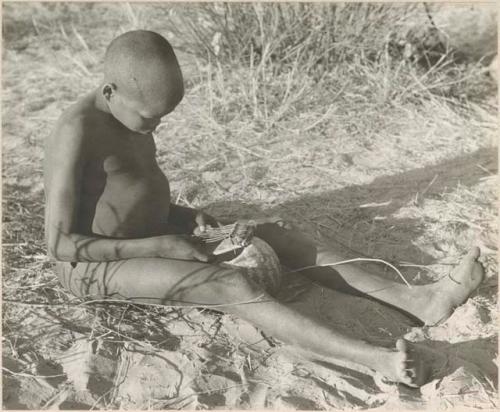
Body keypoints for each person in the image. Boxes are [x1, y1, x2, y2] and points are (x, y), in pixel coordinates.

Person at [44, 30, 484, 388]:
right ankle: (381, 361)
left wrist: (185, 217)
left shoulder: (130, 113)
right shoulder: (76, 132)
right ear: (109, 90)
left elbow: (126, 193)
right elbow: (62, 245)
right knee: (228, 284)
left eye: (164, 116)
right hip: (93, 265)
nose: (156, 126)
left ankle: (420, 301)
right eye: (149, 117)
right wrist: (165, 243)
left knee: (274, 234)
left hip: (155, 235)